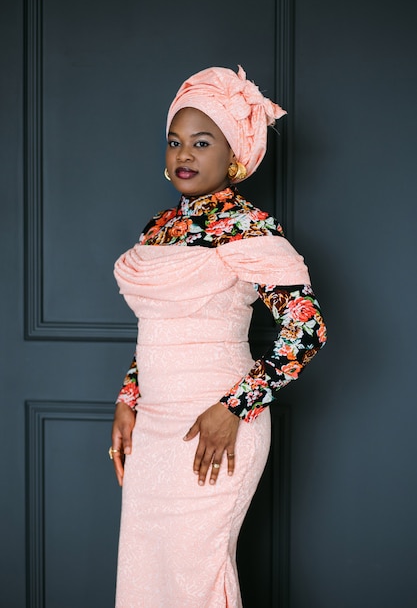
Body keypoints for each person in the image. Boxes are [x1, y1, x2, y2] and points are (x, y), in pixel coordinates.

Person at [110, 65, 327, 607]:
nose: (184, 154)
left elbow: (307, 328)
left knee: (194, 574)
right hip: (153, 425)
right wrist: (127, 399)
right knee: (145, 569)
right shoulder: (158, 230)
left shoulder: (250, 227)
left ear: (233, 156)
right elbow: (154, 330)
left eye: (201, 143)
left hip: (219, 421)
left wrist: (233, 408)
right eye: (175, 142)